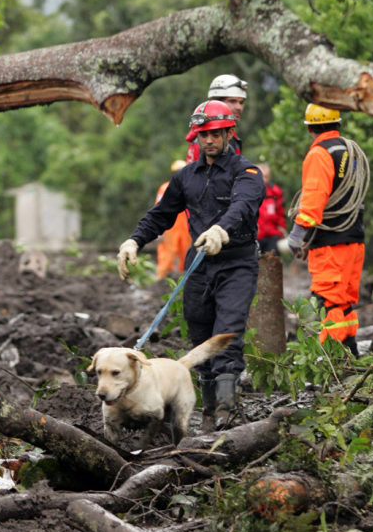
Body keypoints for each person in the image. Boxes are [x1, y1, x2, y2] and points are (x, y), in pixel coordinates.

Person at [117, 100, 265, 430]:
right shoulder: (186, 177)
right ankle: (210, 408)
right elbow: (161, 215)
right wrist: (134, 240)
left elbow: (244, 205)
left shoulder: (247, 173)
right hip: (199, 266)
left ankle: (227, 408)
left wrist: (220, 230)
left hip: (236, 263)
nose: (208, 141)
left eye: (214, 134)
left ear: (229, 132)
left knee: (228, 330)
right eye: (202, 135)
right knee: (199, 334)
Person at [287, 103, 370, 357]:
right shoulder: (350, 150)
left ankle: (329, 361)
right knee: (343, 302)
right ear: (337, 123)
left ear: (310, 127)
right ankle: (351, 355)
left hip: (330, 243)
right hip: (354, 240)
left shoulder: (320, 154)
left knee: (328, 302)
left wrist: (298, 233)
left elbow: (314, 197)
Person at [185, 74, 247, 163]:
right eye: (232, 101)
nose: (239, 107)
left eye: (241, 102)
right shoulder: (218, 139)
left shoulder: (201, 134)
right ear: (216, 101)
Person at [154, 159, 191, 278]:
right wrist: (158, 229)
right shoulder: (165, 188)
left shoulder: (191, 187)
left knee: (186, 253)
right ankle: (162, 278)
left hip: (186, 227)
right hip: (170, 227)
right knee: (167, 253)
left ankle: (184, 279)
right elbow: (158, 208)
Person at [256, 162, 287, 254]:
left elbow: (281, 213)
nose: (264, 179)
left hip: (272, 235)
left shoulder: (276, 192)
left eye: (266, 176)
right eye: (262, 176)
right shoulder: (250, 192)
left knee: (272, 264)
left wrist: (281, 230)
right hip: (256, 236)